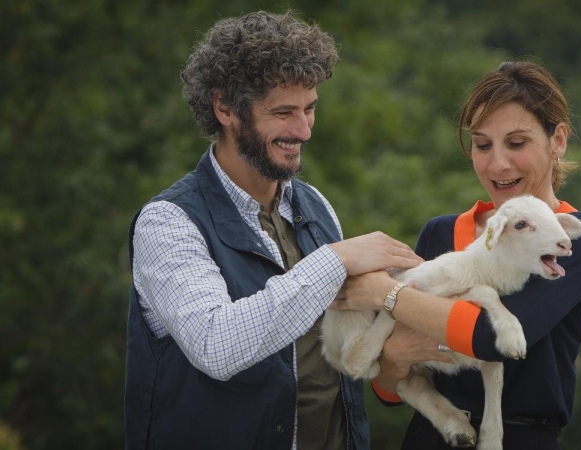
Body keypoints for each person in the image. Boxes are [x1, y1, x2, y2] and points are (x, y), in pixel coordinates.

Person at [123, 11, 428, 450]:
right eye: (283, 112)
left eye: (310, 109)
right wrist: (336, 260)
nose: (303, 130)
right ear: (224, 107)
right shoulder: (168, 222)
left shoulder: (315, 204)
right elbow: (216, 344)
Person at [346, 61, 581, 449]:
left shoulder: (575, 238)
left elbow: (487, 340)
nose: (497, 163)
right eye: (483, 145)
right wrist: (397, 353)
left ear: (558, 141)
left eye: (516, 143)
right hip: (431, 433)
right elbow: (388, 389)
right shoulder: (441, 233)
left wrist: (383, 294)